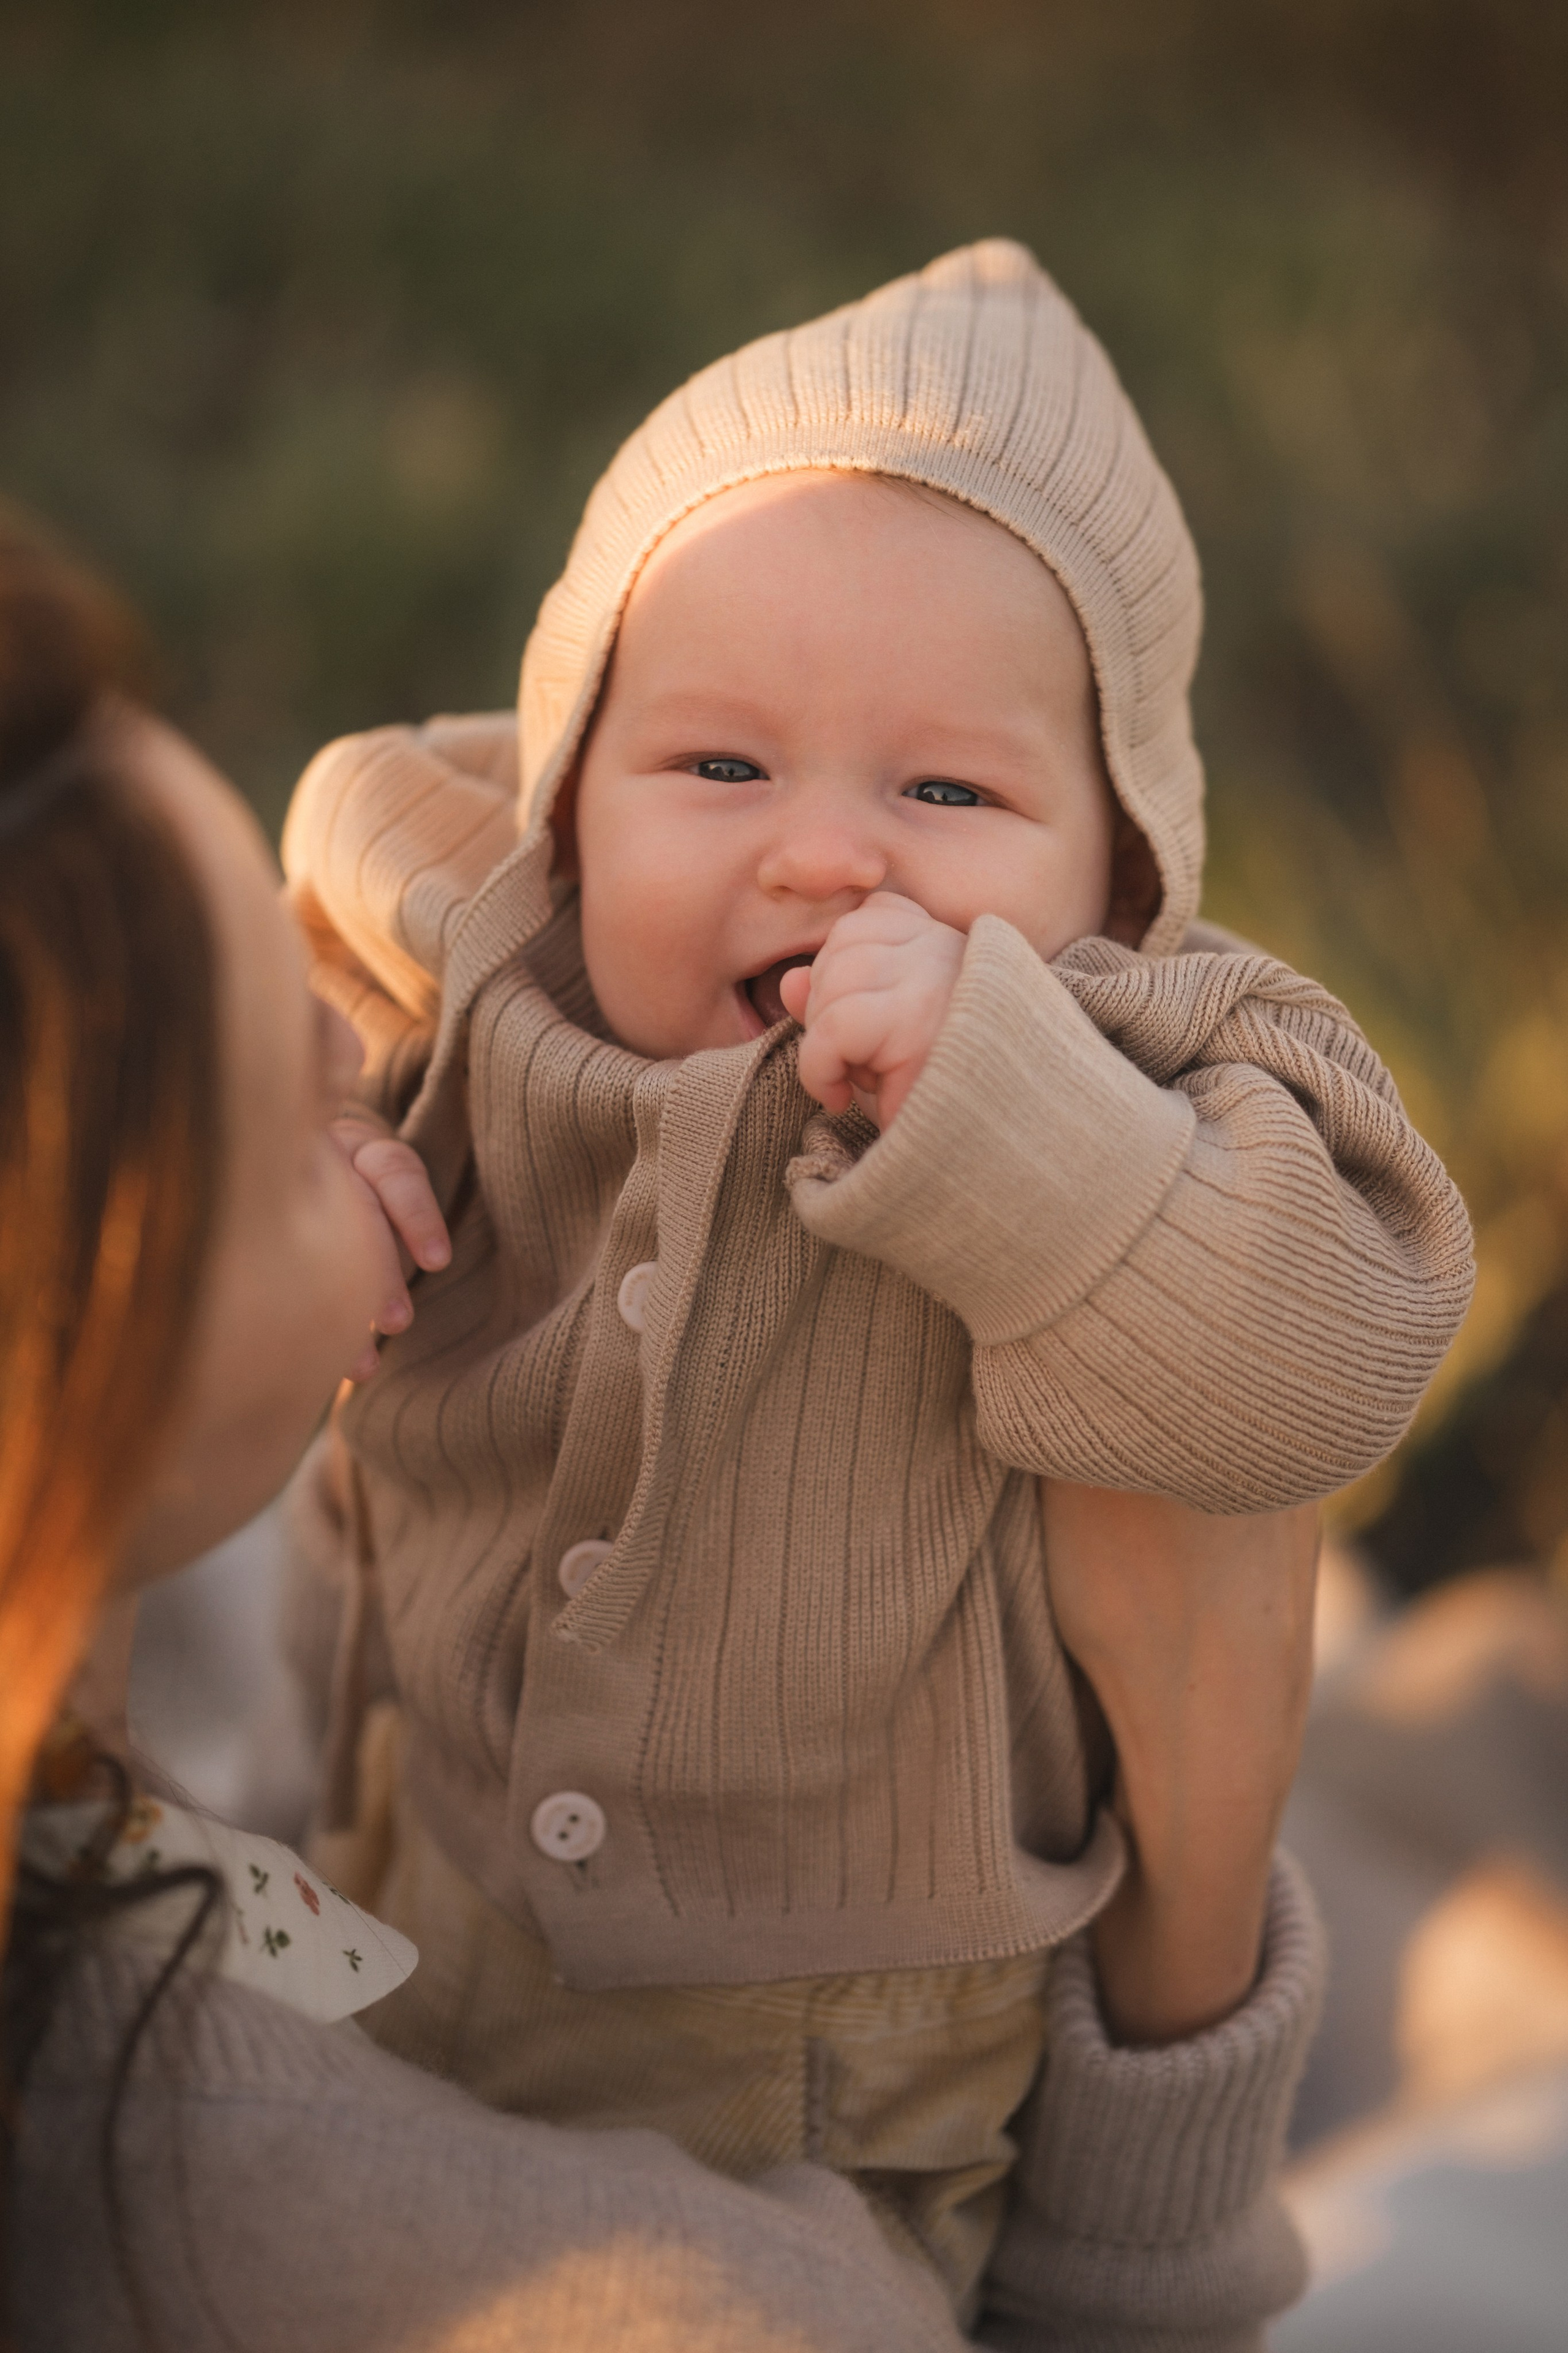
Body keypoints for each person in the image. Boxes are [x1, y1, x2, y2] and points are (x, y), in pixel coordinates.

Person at [277, 238, 1471, 2328]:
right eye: (720, 769)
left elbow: (1336, 1356)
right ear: (565, 800)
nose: (830, 856)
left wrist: (1008, 1101)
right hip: (407, 1912)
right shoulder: (483, 960)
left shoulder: (1137, 1066)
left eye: (948, 791)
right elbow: (262, 1002)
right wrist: (330, 1148)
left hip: (833, 2091)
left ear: (1119, 875)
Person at [0, 515, 1326, 2353]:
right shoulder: (684, 2306)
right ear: (79, 1360)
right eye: (275, 1073)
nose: (366, 1049)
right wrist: (1205, 1858)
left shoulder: (104, 1739)